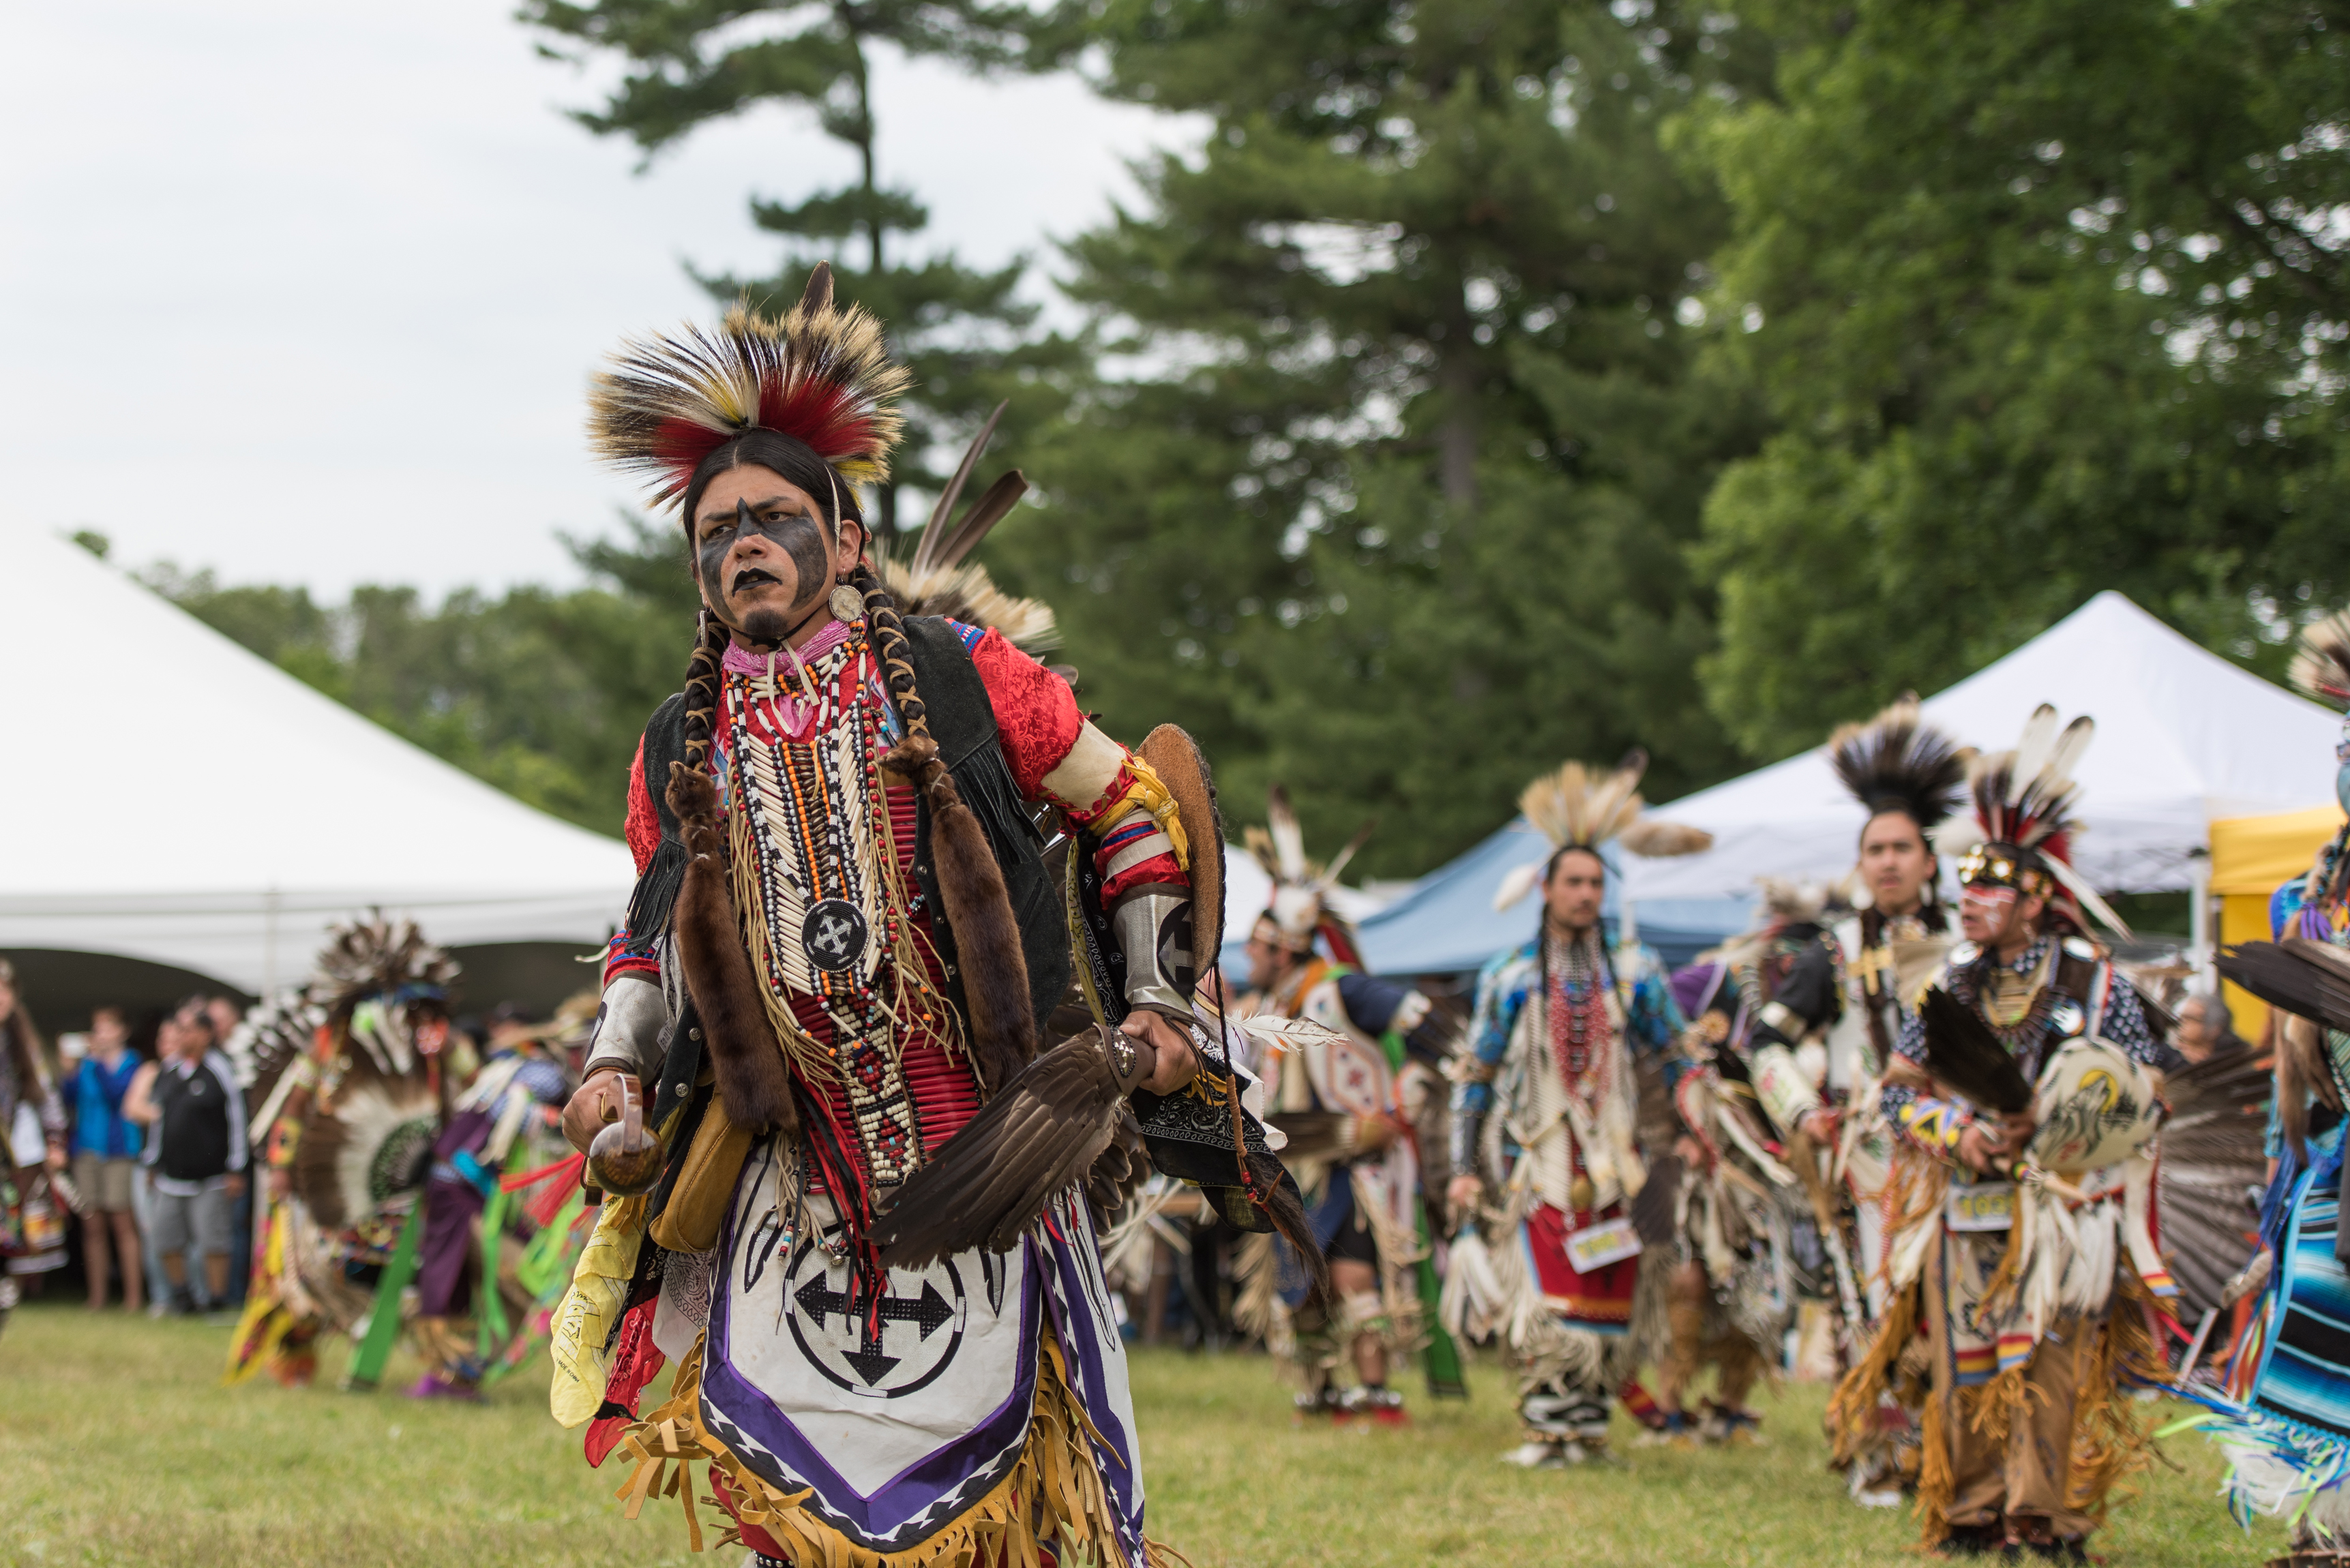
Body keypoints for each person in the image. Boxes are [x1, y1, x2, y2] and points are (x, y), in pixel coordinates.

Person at [545, 267, 1284, 1567]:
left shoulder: (962, 675)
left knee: (1023, 1518)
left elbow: (1130, 809)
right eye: (716, 533)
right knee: (786, 1512)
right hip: (790, 1167)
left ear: (850, 541)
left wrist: (1159, 1001)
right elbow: (650, 936)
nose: (743, 546)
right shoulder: (677, 742)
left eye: (774, 517)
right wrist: (614, 1064)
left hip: (992, 1140)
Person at [1849, 706, 2171, 1558]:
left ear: (2036, 897)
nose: (1971, 900)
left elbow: (2147, 1088)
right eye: (1966, 884)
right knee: (1968, 1357)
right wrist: (1956, 1132)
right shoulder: (1947, 984)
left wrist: (2065, 1126)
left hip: (2065, 1204)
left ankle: (2046, 1514)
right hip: (1970, 1199)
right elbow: (1894, 1095)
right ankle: (1971, 1508)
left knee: (2053, 1357)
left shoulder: (2092, 980)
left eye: (1992, 886)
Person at [1442, 752, 1710, 1467]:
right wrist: (1464, 1166)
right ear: (1545, 889)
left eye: (1596, 881)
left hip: (1616, 1157)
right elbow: (1475, 1073)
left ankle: (1587, 1427)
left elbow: (1676, 1055)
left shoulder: (1634, 972)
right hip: (1541, 1154)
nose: (1586, 893)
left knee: (1608, 1285)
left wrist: (1695, 1128)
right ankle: (1547, 1426)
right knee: (1546, 1284)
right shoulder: (1512, 977)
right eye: (1573, 881)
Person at [1230, 786, 1462, 1422]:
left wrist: (1403, 1104)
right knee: (1298, 1282)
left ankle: (1376, 1390)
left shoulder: (1341, 991)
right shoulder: (1264, 1012)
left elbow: (1431, 1030)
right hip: (1294, 1160)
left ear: (1286, 946)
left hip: (1354, 1164)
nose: (1250, 955)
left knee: (1357, 1275)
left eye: (1258, 945)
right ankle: (1320, 1387)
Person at [227, 917, 453, 1388]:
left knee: (412, 1273)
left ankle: (419, 1362)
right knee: (310, 1269)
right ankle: (299, 1357)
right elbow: (296, 1104)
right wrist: (284, 1164)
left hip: (408, 1181)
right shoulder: (331, 1041)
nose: (389, 1007)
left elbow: (462, 1093)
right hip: (330, 1176)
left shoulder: (432, 1042)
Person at [127, 999, 248, 1314]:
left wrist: (237, 1167)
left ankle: (217, 1300)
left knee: (213, 1242)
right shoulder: (170, 1070)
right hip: (170, 1175)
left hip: (211, 1175)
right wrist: (153, 1161)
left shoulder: (222, 1070)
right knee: (165, 1239)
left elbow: (237, 1119)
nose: (181, 1035)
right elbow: (160, 1119)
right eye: (178, 1029)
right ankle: (183, 1297)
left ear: (207, 1034)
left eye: (188, 1029)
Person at [0, 959, 68, 1294]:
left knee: (14, 1225)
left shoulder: (22, 1043)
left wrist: (55, 1140)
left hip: (15, 1152)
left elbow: (46, 1095)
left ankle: (6, 1295)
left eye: (5, 989)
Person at [71, 1005, 145, 1311]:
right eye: (97, 1027)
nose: (100, 1033)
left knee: (123, 1224)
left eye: (107, 1026)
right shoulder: (87, 1064)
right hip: (87, 1150)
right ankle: (97, 1298)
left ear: (123, 1030)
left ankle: (133, 1298)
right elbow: (69, 1098)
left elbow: (118, 1096)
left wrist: (99, 1063)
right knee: (92, 1225)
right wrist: (69, 1071)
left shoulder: (132, 1063)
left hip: (120, 1151)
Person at [2170, 993, 2247, 1066]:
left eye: (2190, 1019)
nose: (2181, 1023)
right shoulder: (2172, 1056)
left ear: (2215, 1028)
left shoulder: (2237, 1057)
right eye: (2181, 1018)